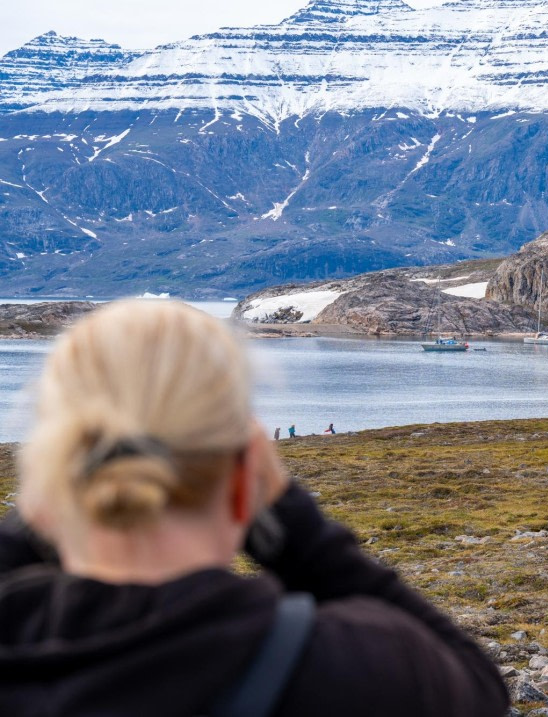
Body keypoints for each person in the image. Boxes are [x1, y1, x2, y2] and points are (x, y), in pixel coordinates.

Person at [0, 301, 508, 717]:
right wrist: (295, 524)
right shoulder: (363, 667)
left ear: (52, 482)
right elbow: (481, 689)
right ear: (247, 480)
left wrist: (42, 507)